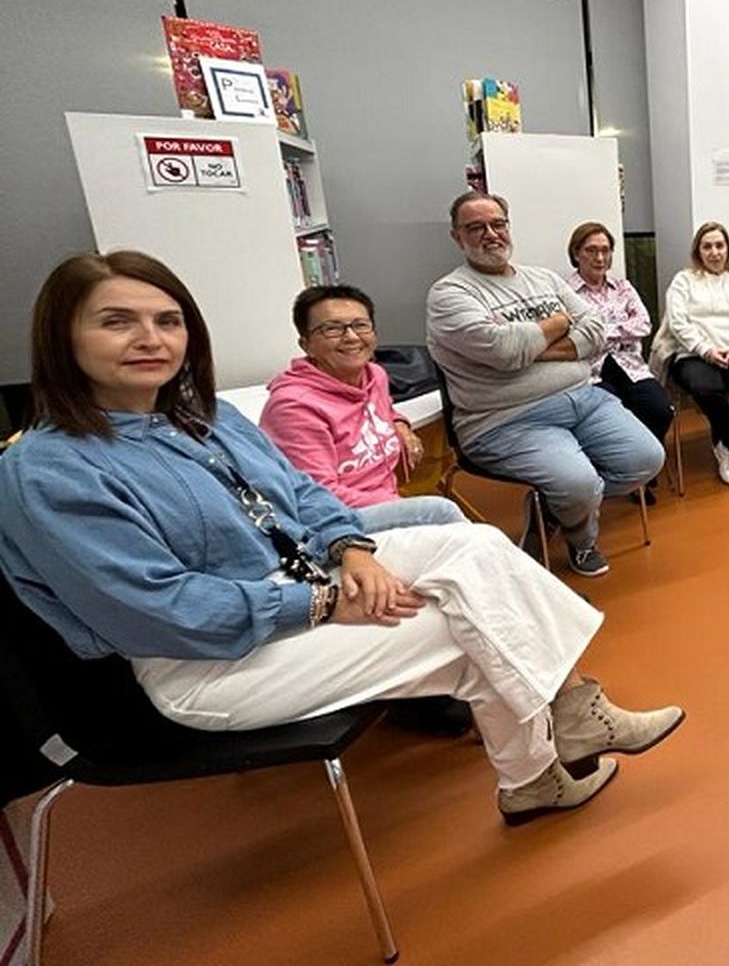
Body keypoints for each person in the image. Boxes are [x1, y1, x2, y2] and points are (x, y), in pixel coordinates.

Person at [0, 251, 684, 826]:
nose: (149, 338)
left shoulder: (203, 416)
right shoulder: (48, 469)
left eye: (167, 321)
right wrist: (321, 605)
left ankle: (562, 725)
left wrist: (349, 551)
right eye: (117, 322)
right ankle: (545, 758)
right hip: (206, 664)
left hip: (300, 583)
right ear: (63, 336)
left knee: (472, 549)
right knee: (471, 623)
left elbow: (303, 495)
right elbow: (156, 609)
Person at [425, 193, 664, 579]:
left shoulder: (543, 278)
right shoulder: (450, 294)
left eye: (498, 224)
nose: (490, 234)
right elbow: (504, 349)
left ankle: (555, 509)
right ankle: (581, 536)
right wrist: (558, 323)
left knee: (646, 459)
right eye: (476, 227)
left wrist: (530, 347)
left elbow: (596, 332)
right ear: (457, 236)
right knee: (578, 482)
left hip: (584, 397)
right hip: (506, 419)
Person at [260, 283, 465, 534]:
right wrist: (400, 506)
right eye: (332, 328)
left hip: (382, 500)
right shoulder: (294, 407)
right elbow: (317, 495)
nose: (351, 337)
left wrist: (399, 423)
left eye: (360, 325)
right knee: (439, 513)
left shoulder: (374, 375)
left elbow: (383, 409)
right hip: (334, 521)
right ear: (306, 343)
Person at [564, 221, 673, 505]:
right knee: (614, 420)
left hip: (629, 365)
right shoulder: (565, 292)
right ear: (577, 253)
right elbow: (572, 335)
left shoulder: (622, 286)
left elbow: (644, 324)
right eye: (591, 250)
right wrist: (616, 329)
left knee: (659, 410)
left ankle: (645, 472)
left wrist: (599, 331)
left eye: (605, 251)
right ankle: (619, 473)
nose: (600, 258)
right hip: (591, 372)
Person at [654, 222, 729, 486]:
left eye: (719, 245)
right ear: (698, 251)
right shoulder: (684, 280)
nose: (714, 252)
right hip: (693, 353)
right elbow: (678, 322)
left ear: (727, 249)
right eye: (707, 246)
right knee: (707, 388)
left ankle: (728, 444)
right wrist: (706, 350)